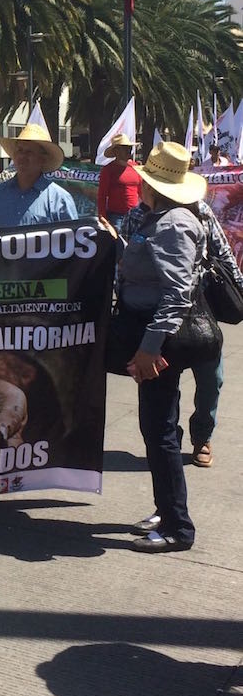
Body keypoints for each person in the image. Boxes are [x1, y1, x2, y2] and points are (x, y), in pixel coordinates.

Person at [108, 141, 210, 553]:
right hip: (151, 334)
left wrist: (150, 349)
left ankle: (177, 528)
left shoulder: (172, 224)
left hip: (160, 340)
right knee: (157, 428)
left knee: (160, 431)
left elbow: (176, 294)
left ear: (152, 185)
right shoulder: (158, 218)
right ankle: (165, 509)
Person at [122, 194, 242, 470]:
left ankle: (202, 436)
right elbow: (126, 263)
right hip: (156, 314)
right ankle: (170, 439)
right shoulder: (136, 215)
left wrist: (238, 291)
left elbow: (223, 253)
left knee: (212, 379)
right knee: (166, 380)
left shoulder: (200, 210)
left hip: (200, 310)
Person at [0, 124, 76, 228]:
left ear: (43, 159)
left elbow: (72, 240)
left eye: (29, 152)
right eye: (19, 150)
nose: (22, 156)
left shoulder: (60, 200)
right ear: (14, 155)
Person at [97, 133, 141, 233]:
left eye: (129, 147)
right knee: (120, 245)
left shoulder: (137, 167)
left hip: (136, 215)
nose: (129, 150)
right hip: (117, 216)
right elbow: (102, 195)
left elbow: (141, 192)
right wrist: (102, 217)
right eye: (125, 148)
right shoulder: (108, 170)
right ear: (116, 151)